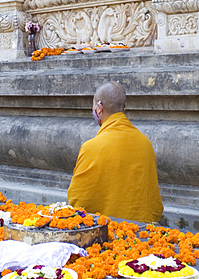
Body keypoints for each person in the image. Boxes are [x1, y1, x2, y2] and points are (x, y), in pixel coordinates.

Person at [67, 82, 163, 224]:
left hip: (106, 234)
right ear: (124, 108)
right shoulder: (145, 143)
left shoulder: (91, 147)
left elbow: (78, 203)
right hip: (142, 232)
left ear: (99, 108)